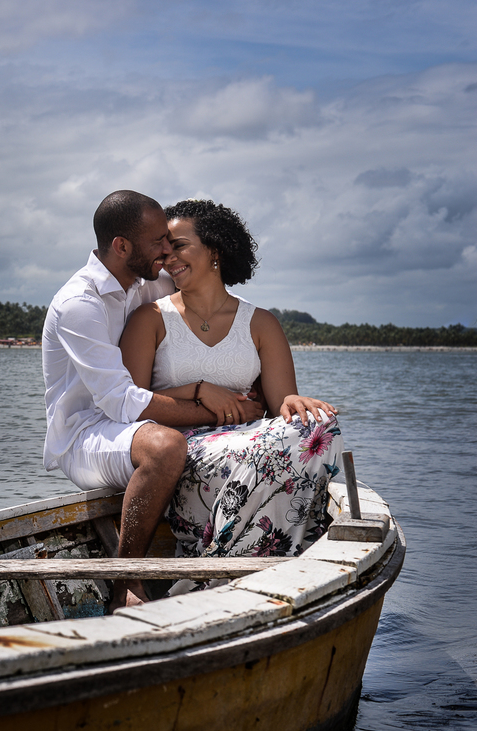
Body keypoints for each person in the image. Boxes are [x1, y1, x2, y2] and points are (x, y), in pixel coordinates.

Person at [42, 191, 266, 610]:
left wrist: (242, 389)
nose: (168, 250)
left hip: (135, 423)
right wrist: (219, 409)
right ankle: (125, 583)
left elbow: (200, 299)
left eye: (169, 238)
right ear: (121, 246)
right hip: (85, 435)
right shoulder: (79, 304)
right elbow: (118, 401)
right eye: (158, 241)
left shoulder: (151, 281)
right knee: (166, 448)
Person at [119, 199, 342, 587]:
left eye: (180, 245)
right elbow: (130, 408)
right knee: (270, 448)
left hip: (249, 444)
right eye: (165, 248)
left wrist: (295, 403)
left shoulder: (260, 323)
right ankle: (222, 573)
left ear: (215, 250)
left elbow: (280, 404)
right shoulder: (150, 319)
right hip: (181, 452)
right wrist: (200, 394)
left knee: (320, 427)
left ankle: (244, 559)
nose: (169, 257)